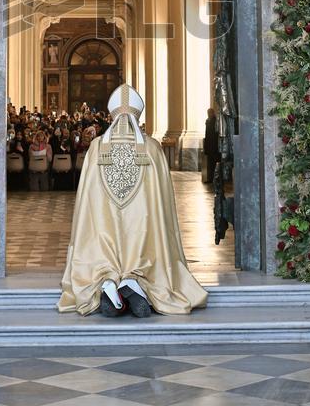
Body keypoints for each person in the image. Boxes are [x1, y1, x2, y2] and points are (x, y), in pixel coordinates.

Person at [59, 83, 208, 318]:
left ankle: (107, 282)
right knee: (147, 239)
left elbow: (87, 200)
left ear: (112, 114)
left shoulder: (97, 148)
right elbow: (163, 204)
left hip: (103, 227)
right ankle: (135, 281)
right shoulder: (151, 148)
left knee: (99, 233)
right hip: (143, 228)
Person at [203, 107, 220, 184]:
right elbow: (206, 134)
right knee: (210, 164)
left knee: (215, 164)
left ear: (213, 113)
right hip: (209, 146)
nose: (209, 114)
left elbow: (217, 134)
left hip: (215, 146)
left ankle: (216, 179)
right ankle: (210, 178)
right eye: (208, 113)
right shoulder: (207, 121)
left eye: (210, 113)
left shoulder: (216, 121)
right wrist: (205, 147)